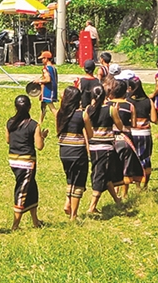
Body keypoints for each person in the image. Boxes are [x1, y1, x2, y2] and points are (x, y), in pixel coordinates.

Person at [6, 94, 46, 229]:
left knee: (32, 189)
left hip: (13, 160)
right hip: (27, 163)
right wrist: (42, 137)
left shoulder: (10, 122)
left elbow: (8, 140)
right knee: (21, 191)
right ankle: (15, 225)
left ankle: (35, 221)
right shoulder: (33, 125)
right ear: (29, 107)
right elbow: (39, 146)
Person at [55, 85, 92, 220]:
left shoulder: (60, 113)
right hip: (78, 151)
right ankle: (73, 215)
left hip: (64, 150)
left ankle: (67, 202)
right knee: (78, 182)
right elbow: (90, 133)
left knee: (70, 177)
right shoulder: (82, 114)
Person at [86, 87, 122, 214]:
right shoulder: (110, 110)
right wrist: (116, 112)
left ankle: (117, 200)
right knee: (100, 175)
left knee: (105, 174)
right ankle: (92, 207)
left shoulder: (89, 110)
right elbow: (120, 126)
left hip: (92, 147)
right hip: (106, 147)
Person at [37, 51, 58, 122]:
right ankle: (40, 122)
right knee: (43, 105)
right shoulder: (53, 68)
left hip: (48, 90)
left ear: (46, 59)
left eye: (42, 58)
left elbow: (48, 79)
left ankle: (59, 119)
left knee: (52, 107)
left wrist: (39, 81)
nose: (42, 60)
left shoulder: (45, 68)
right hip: (53, 89)